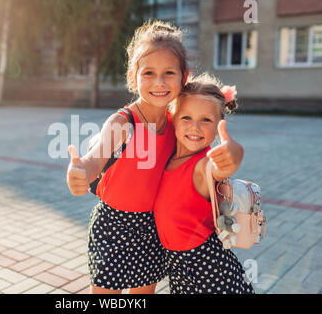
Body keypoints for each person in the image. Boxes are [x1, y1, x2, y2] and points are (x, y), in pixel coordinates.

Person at [66, 20, 244, 294]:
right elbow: (95, 158)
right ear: (133, 76)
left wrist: (232, 152)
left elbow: (210, 160)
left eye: (169, 73)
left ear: (184, 76)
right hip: (114, 225)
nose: (159, 82)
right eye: (148, 72)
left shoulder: (178, 124)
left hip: (151, 228)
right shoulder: (123, 122)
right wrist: (81, 171)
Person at [154, 73, 254, 294]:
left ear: (219, 124)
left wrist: (234, 152)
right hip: (179, 265)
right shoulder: (168, 157)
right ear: (173, 118)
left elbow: (221, 168)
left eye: (206, 120)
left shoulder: (202, 164)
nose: (195, 127)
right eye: (186, 118)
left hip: (208, 268)